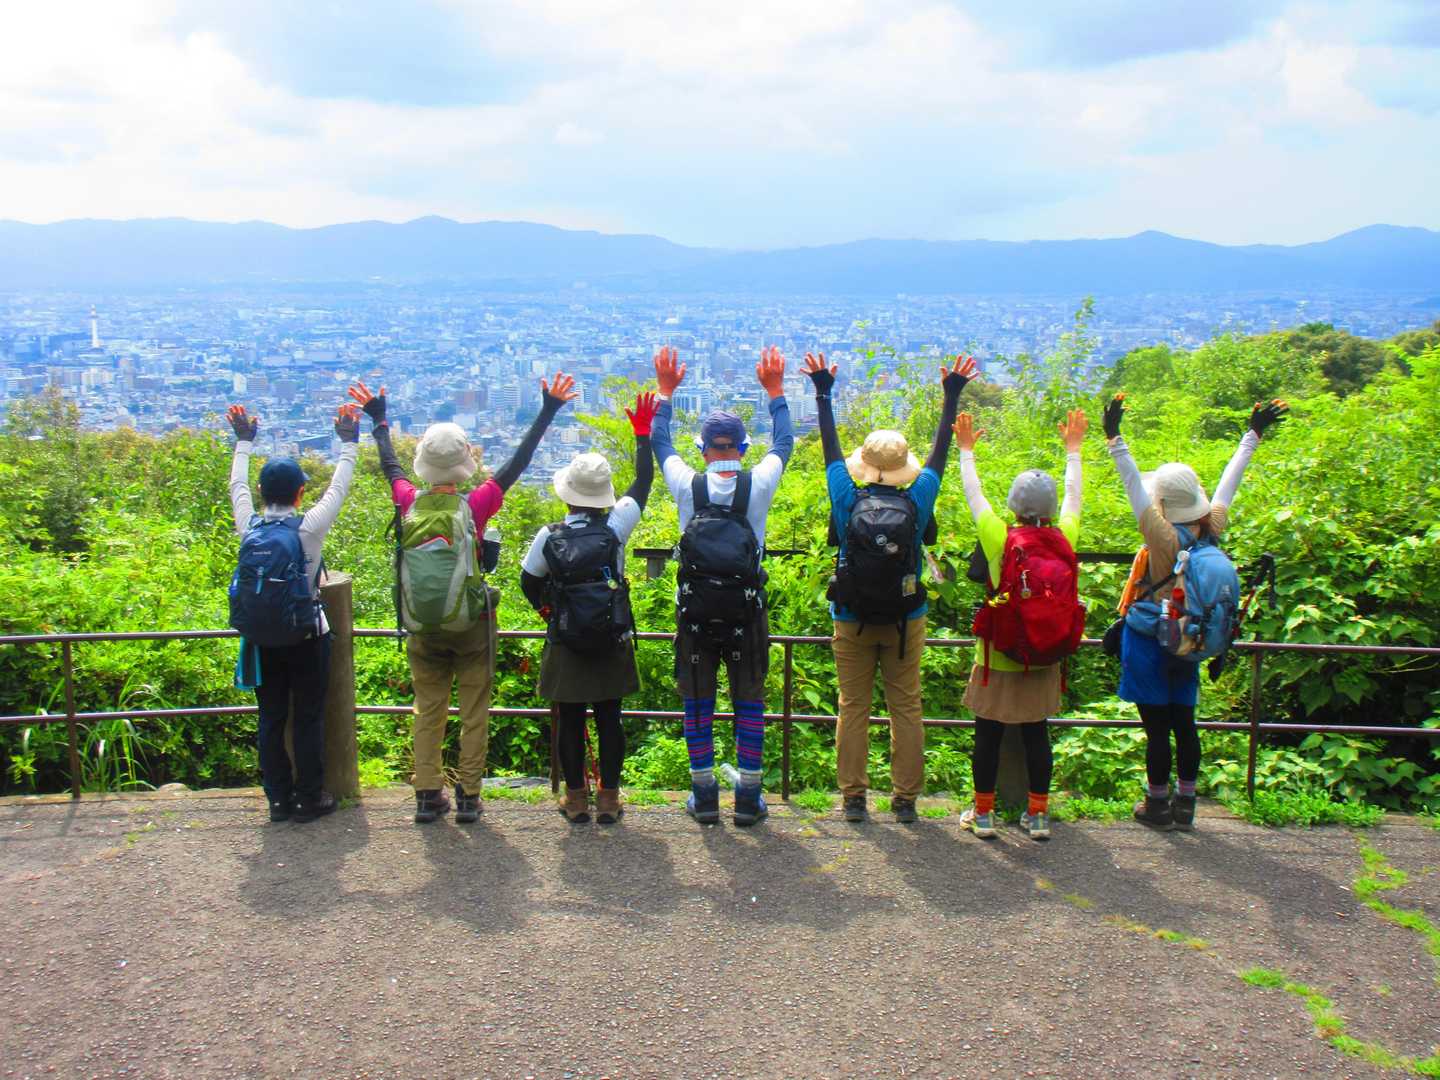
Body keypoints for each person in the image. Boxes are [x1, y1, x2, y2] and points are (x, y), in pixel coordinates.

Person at [347, 375, 577, 824]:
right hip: (472, 624)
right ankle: (469, 796)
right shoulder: (476, 505)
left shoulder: (408, 501)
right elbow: (518, 462)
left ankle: (427, 794)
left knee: (427, 710)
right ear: (464, 462)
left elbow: (390, 466)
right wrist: (548, 408)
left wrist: (379, 420)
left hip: (422, 625)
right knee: (474, 710)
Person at [803, 351, 977, 823]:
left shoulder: (845, 495)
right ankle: (905, 800)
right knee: (906, 707)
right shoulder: (919, 498)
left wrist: (823, 393)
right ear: (903, 467)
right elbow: (939, 454)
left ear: (865, 464)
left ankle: (853, 797)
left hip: (851, 618)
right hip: (906, 619)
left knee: (853, 707)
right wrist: (952, 395)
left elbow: (830, 450)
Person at [1104, 392, 1288, 831]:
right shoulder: (1212, 527)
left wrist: (1114, 438)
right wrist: (1252, 435)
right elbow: (1229, 483)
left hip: (1150, 639)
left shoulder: (1162, 537)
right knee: (1184, 724)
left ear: (1163, 505)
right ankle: (1186, 804)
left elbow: (1132, 486)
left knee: (1157, 730)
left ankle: (1157, 804)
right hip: (1191, 639)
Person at [651, 345, 793, 826]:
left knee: (699, 704)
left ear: (703, 450)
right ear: (743, 449)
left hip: (694, 615)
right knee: (749, 701)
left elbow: (659, 442)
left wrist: (665, 391)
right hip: (746, 614)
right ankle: (749, 799)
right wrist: (775, 391)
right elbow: (785, 442)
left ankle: (705, 796)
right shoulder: (760, 483)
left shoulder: (686, 483)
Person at [518, 392, 658, 825]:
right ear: (603, 496)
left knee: (571, 718)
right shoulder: (617, 527)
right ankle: (609, 799)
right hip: (611, 636)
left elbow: (528, 580)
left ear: (568, 496)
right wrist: (642, 435)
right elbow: (643, 482)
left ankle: (576, 799)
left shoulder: (550, 535)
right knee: (610, 717)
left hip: (566, 639)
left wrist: (550, 612)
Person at [954, 408, 1088, 841]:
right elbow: (1074, 497)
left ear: (1013, 504)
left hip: (998, 656)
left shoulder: (1000, 537)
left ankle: (984, 814)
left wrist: (966, 450)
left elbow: (974, 494)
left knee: (987, 737)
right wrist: (1073, 450)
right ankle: (1038, 815)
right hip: (1044, 654)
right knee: (1037, 737)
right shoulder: (1065, 537)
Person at [226, 401, 361, 824]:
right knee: (307, 717)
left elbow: (237, 487)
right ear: (301, 493)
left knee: (270, 718)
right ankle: (309, 797)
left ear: (263, 493)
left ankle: (278, 800)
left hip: (262, 640)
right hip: (306, 636)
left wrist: (243, 442)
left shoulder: (249, 526)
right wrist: (349, 443)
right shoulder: (308, 529)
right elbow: (338, 488)